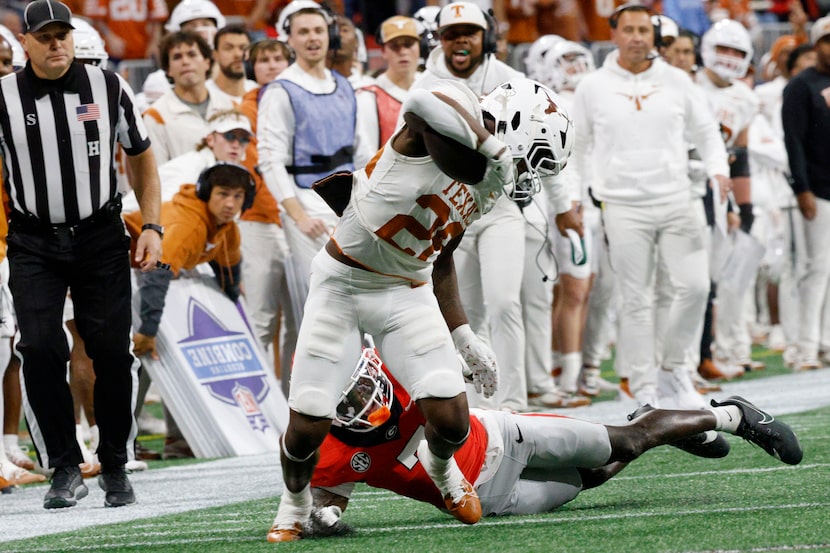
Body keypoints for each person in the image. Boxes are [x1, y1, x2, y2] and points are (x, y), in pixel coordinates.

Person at [265, 77, 576, 542]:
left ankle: (442, 466)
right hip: (341, 284)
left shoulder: (488, 184)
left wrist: (463, 334)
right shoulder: (444, 123)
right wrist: (491, 147)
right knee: (308, 421)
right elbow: (419, 101)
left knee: (451, 419)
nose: (533, 170)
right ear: (515, 126)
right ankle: (293, 503)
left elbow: (441, 252)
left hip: (404, 291)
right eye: (537, 154)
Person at [303, 346, 803, 532]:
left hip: (507, 436)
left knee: (624, 444)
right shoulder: (332, 451)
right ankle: (656, 423)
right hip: (494, 499)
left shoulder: (404, 371)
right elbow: (331, 491)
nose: (366, 402)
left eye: (365, 387)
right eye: (350, 402)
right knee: (596, 476)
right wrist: (326, 517)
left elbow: (449, 391)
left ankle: (731, 416)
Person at [0, 0, 162, 509]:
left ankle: (114, 463)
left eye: (62, 35)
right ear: (24, 43)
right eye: (44, 36)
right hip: (32, 241)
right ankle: (64, 466)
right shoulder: (1, 96)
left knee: (112, 351)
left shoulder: (109, 86)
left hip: (100, 235)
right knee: (41, 348)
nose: (55, 44)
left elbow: (141, 156)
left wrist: (152, 225)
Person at [569, 4, 731, 413]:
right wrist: (576, 196)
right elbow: (579, 147)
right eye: (629, 29)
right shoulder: (592, 87)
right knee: (635, 299)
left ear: (654, 34)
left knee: (695, 287)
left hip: (679, 197)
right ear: (614, 34)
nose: (637, 36)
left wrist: (717, 169)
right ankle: (642, 388)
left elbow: (708, 133)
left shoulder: (678, 82)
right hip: (621, 205)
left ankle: (675, 370)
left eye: (644, 29)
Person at [411, 1, 538, 412]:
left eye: (468, 32)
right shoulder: (423, 85)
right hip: (451, 210)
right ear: (440, 41)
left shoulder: (511, 79)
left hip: (499, 206)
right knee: (462, 313)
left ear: (487, 37)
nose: (460, 40)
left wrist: (561, 199)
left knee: (505, 302)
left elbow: (543, 132)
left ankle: (514, 402)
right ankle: (470, 405)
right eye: (451, 34)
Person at [257, 0, 368, 327]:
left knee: (358, 305)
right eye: (303, 32)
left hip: (350, 209)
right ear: (289, 39)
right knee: (320, 307)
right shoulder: (281, 91)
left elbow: (363, 153)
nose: (312, 38)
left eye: (318, 30)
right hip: (306, 207)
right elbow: (270, 160)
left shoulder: (345, 85)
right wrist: (298, 217)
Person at [126, 162, 254, 362]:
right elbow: (156, 271)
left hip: (140, 270)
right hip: (118, 256)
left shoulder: (227, 230)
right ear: (207, 193)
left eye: (238, 196)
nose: (230, 204)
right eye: (223, 194)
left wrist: (234, 306)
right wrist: (148, 331)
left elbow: (229, 274)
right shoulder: (189, 225)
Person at [238, 39, 295, 392]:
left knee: (301, 322)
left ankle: (294, 403)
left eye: (278, 59)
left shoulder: (300, 101)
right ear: (253, 69)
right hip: (258, 221)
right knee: (260, 318)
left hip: (299, 221)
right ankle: (256, 404)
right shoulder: (244, 111)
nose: (272, 65)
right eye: (264, 61)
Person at [782, 15, 830, 371]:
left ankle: (826, 342)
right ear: (816, 44)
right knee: (816, 269)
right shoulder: (801, 85)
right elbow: (793, 139)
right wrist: (802, 188)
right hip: (818, 188)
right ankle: (806, 347)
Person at [143, 30, 236, 164]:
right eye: (177, 57)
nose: (185, 61)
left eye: (192, 54)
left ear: (207, 62)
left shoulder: (230, 106)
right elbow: (159, 174)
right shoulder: (155, 116)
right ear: (168, 70)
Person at [355, 15, 421, 154]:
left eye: (408, 44)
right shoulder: (369, 96)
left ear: (419, 47)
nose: (403, 51)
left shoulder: (430, 86)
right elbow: (366, 154)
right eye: (394, 46)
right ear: (383, 51)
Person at [207, 24, 257, 104]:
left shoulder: (257, 92)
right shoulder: (204, 94)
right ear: (215, 55)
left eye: (243, 48)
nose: (238, 54)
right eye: (228, 48)